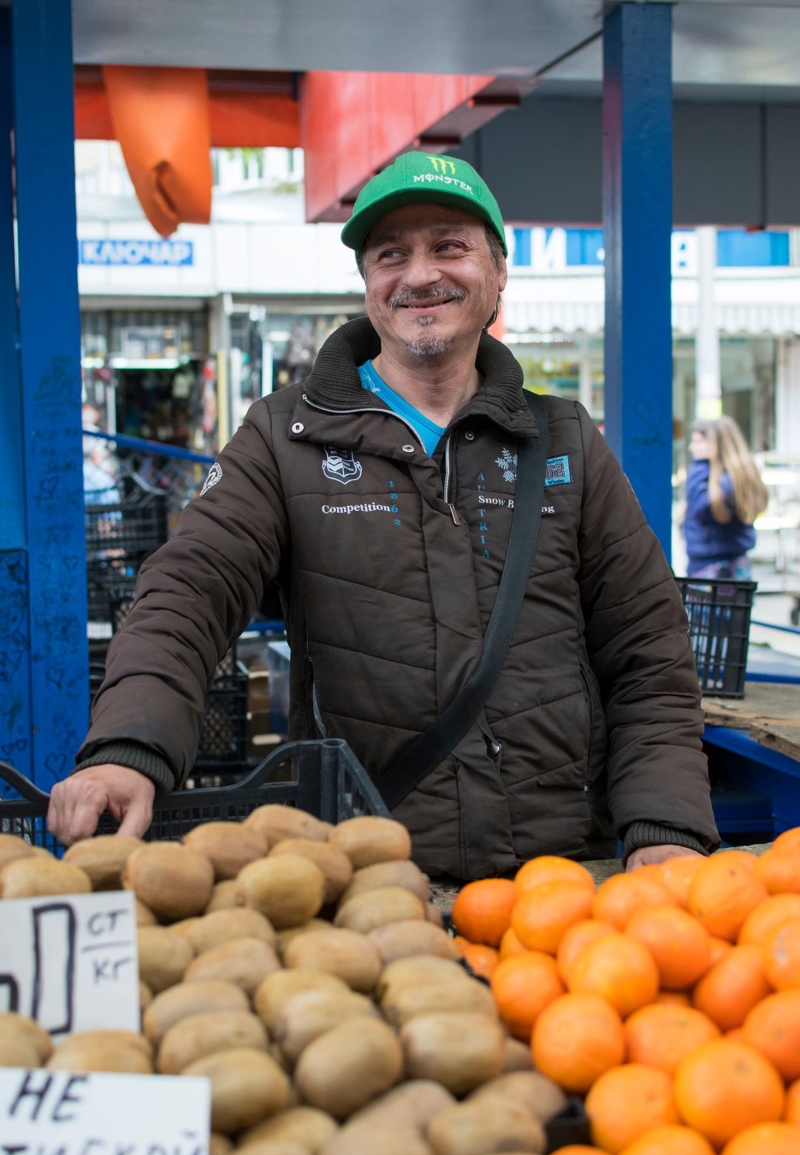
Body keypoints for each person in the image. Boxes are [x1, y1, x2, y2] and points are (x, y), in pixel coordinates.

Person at [49, 152, 719, 878]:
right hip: (368, 878)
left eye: (449, 246)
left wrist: (666, 826)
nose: (420, 274)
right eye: (390, 254)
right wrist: (129, 748)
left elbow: (649, 652)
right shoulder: (284, 437)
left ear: (499, 273)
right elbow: (186, 593)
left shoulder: (563, 442)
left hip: (559, 878)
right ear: (368, 285)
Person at [684, 416, 768, 580]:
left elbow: (700, 505)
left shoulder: (720, 482)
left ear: (716, 446)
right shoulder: (740, 477)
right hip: (735, 569)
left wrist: (699, 465)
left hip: (712, 572)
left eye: (698, 442)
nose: (691, 448)